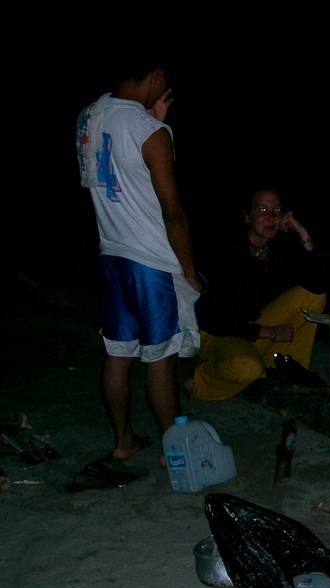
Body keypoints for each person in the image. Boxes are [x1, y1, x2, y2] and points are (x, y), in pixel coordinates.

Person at [75, 60, 204, 464]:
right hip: (149, 260)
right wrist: (186, 271)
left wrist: (152, 121)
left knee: (118, 352)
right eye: (164, 78)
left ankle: (124, 439)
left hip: (111, 252)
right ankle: (172, 449)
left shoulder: (89, 116)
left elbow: (118, 164)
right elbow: (173, 211)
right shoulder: (151, 132)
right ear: (154, 76)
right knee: (159, 356)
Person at [183, 187, 328, 401]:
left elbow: (318, 285)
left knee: (314, 298)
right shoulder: (226, 250)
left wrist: (304, 235)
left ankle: (283, 370)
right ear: (247, 216)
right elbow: (215, 319)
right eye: (262, 209)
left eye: (277, 210)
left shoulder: (279, 248)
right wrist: (270, 332)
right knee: (248, 368)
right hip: (217, 334)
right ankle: (197, 380)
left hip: (252, 328)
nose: (271, 217)